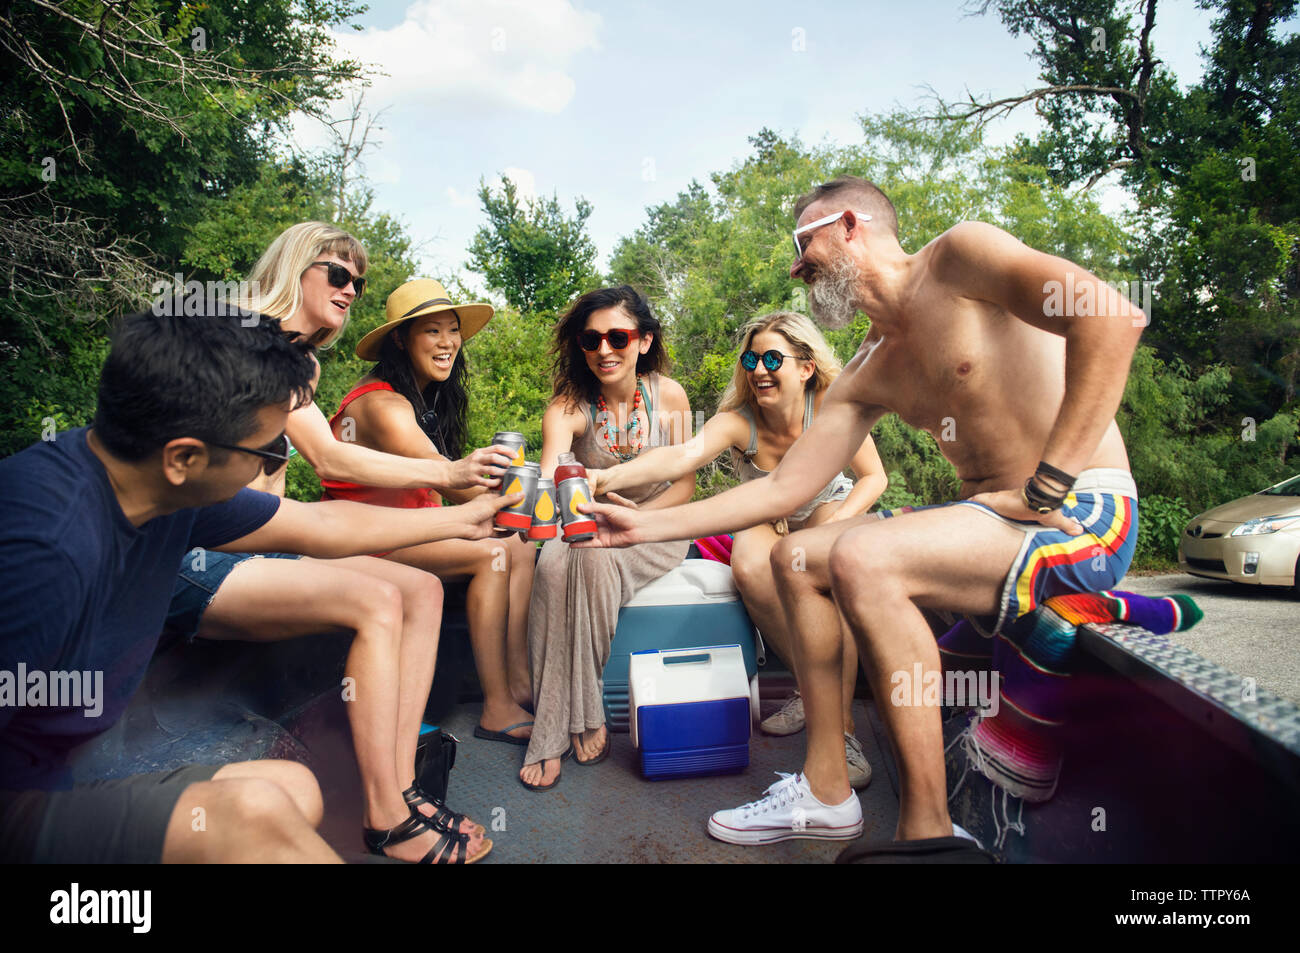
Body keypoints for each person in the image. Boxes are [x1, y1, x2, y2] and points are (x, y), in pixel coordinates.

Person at [576, 175, 1143, 855]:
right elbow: (783, 490)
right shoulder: (868, 369)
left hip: (1080, 514)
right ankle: (827, 791)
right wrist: (640, 525)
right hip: (990, 524)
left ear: (849, 224)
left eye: (801, 243)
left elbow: (1110, 316)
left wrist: (1048, 484)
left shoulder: (961, 258)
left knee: (858, 551)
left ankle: (929, 830)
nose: (795, 267)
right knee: (796, 556)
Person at [0, 308, 518, 863]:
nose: (274, 467)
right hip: (17, 806)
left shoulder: (153, 479)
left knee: (290, 791)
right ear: (185, 457)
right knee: (247, 821)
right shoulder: (44, 553)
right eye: (268, 451)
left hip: (58, 775)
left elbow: (321, 523)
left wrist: (469, 518)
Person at [162, 222, 518, 862]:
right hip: (187, 549)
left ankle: (403, 787)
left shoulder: (302, 362)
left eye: (359, 280)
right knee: (379, 599)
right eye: (337, 273)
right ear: (294, 267)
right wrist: (449, 474)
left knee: (422, 589)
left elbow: (284, 502)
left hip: (253, 533)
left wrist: (467, 510)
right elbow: (331, 460)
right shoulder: (236, 334)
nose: (351, 288)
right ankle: (387, 819)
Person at [586, 311, 886, 786]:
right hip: (765, 515)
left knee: (828, 577)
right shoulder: (738, 422)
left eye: (772, 358)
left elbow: (874, 478)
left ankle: (843, 731)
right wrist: (606, 476)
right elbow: (679, 456)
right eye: (751, 358)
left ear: (805, 367)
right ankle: (812, 691)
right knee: (747, 566)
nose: (759, 369)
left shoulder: (830, 404)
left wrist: (833, 528)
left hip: (828, 508)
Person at [321, 278, 536, 743]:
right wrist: (528, 497)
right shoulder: (382, 406)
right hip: (364, 539)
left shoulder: (419, 397)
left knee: (520, 544)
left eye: (452, 330)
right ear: (401, 339)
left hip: (410, 531)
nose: (447, 343)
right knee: (492, 554)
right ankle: (497, 705)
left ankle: (519, 680)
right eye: (431, 332)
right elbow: (451, 481)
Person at [519, 286, 695, 791]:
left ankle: (548, 731)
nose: (604, 350)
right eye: (590, 339)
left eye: (618, 336)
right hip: (589, 527)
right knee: (554, 563)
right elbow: (553, 471)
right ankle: (585, 707)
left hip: (658, 525)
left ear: (643, 340)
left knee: (586, 561)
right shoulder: (570, 406)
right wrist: (540, 496)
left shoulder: (671, 396)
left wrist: (637, 520)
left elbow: (684, 483)